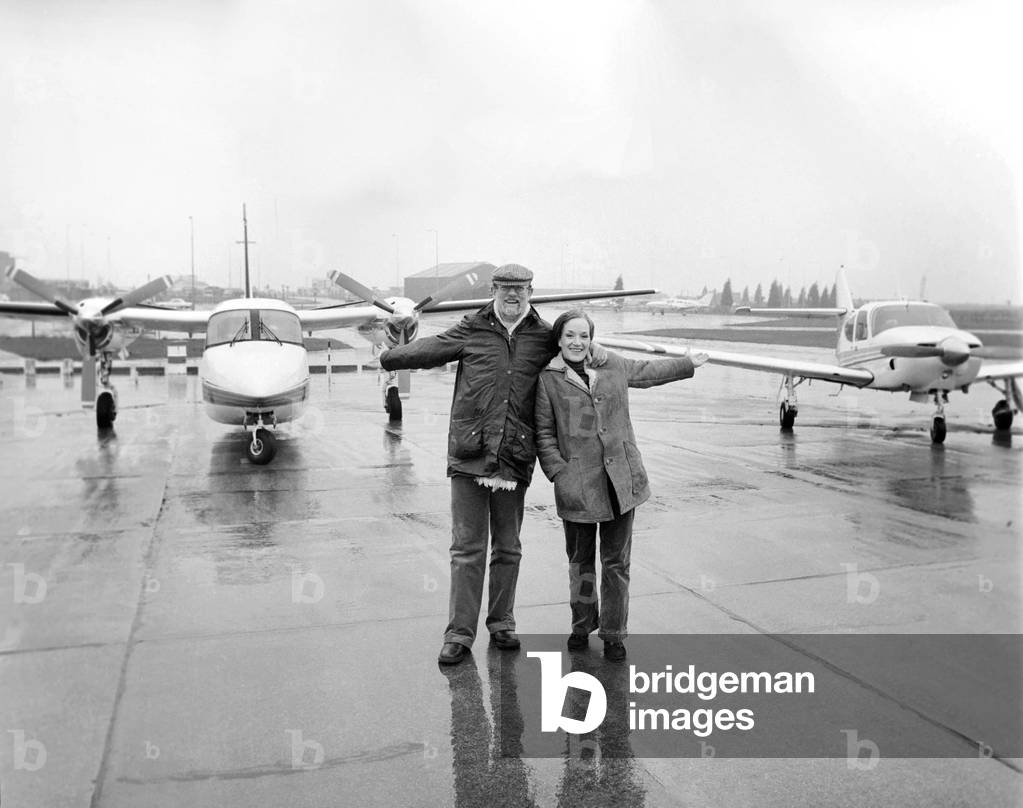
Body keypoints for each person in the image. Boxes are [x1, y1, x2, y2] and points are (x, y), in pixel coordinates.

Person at [380, 265, 604, 665]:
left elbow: (576, 352)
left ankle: (502, 623)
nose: (512, 295)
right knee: (467, 549)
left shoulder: (544, 336)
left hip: (514, 456)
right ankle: (459, 634)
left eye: (519, 289)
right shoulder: (473, 328)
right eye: (504, 288)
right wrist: (389, 356)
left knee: (508, 548)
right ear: (493, 290)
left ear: (531, 290)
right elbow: (432, 349)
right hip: (470, 452)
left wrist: (599, 354)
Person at [534, 309, 708, 662]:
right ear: (559, 339)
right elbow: (544, 433)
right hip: (577, 486)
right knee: (581, 563)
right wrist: (559, 473)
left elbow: (646, 372)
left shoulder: (611, 365)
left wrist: (686, 363)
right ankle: (582, 624)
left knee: (616, 563)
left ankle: (614, 633)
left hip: (620, 482)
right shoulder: (548, 379)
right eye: (570, 335)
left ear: (592, 338)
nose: (577, 342)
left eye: (584, 335)